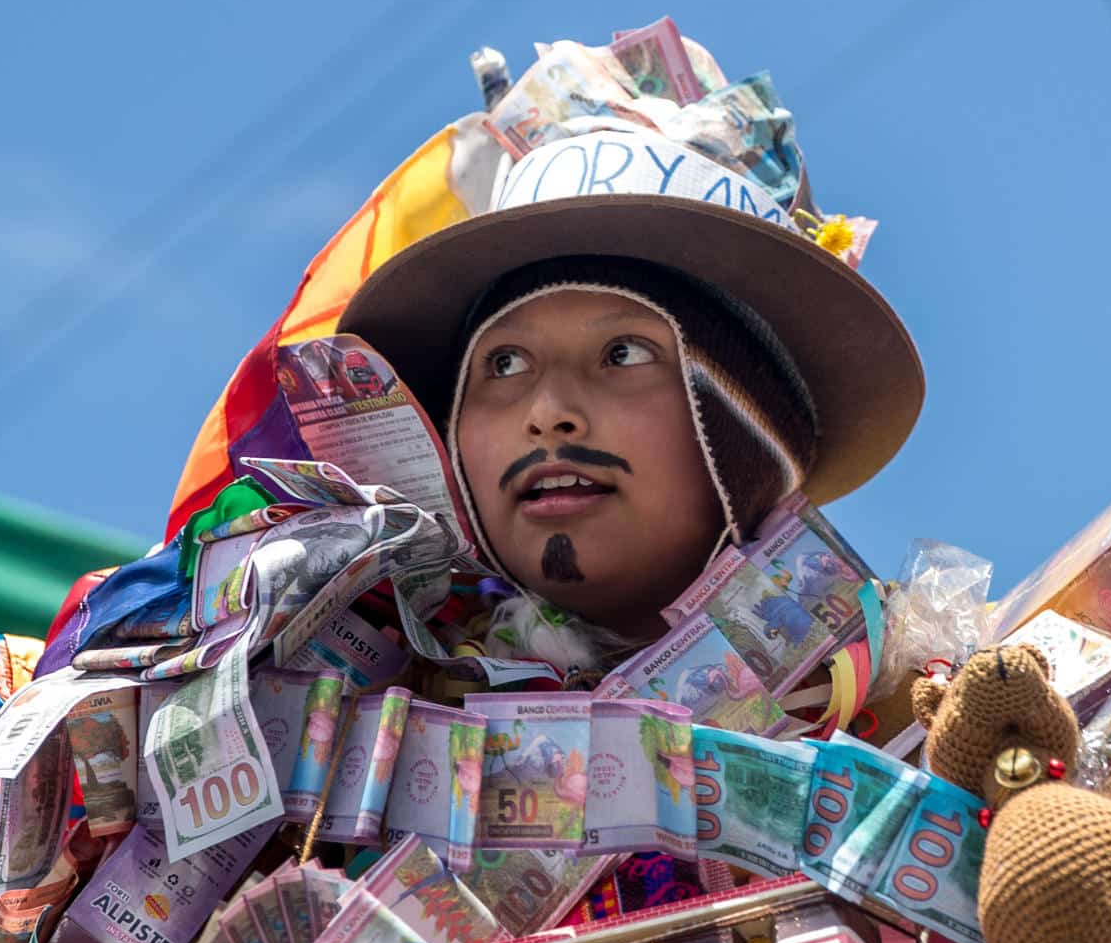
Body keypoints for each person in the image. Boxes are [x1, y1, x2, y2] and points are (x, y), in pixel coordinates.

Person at [330, 123, 922, 685]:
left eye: (624, 354)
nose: (549, 412)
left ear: (754, 435)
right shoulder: (333, 742)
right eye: (504, 364)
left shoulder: (944, 724)